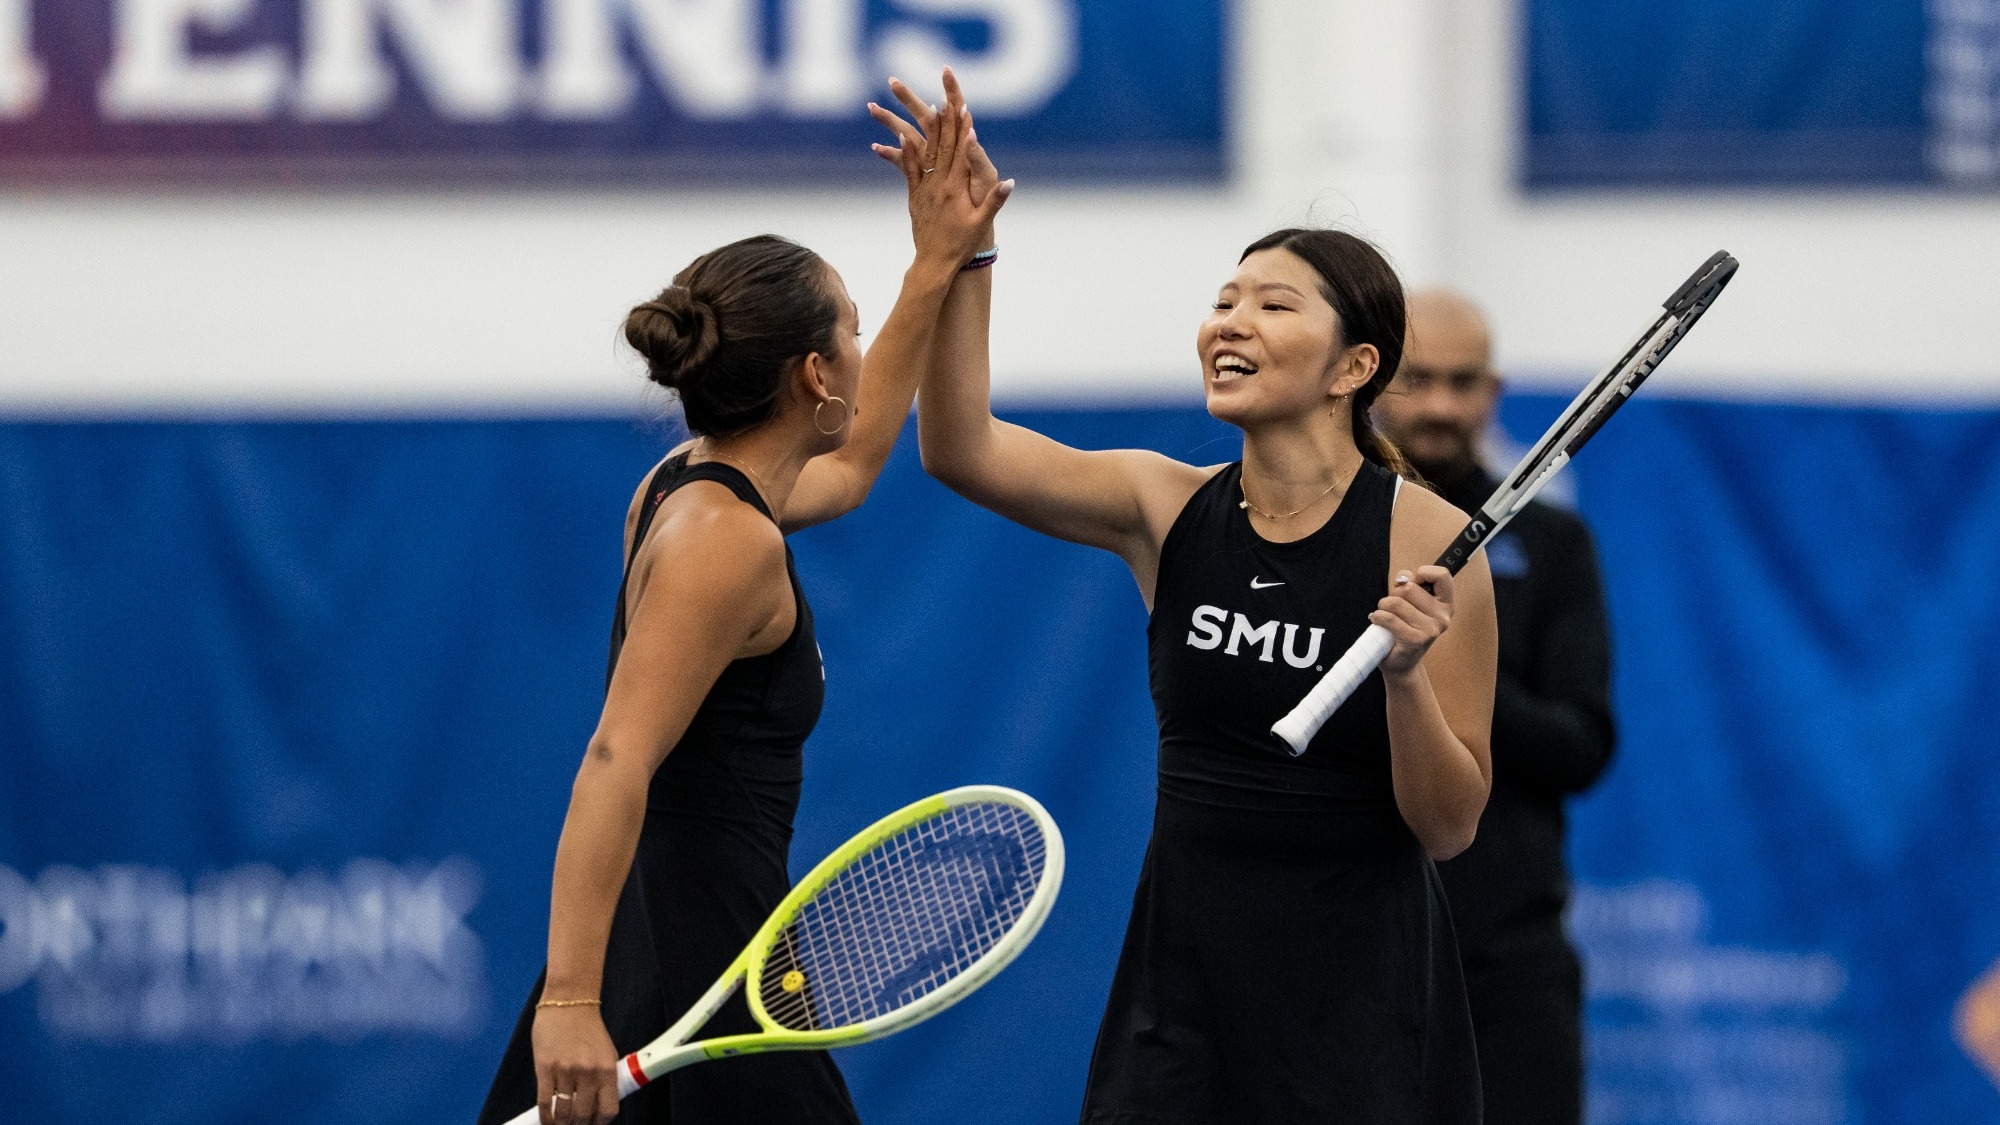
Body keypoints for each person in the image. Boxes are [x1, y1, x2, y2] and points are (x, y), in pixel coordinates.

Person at [870, 84, 1494, 1124]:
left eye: (1271, 304)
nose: (1229, 323)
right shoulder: (1162, 506)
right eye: (1224, 299)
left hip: (1359, 1007)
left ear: (1354, 366)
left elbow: (1447, 827)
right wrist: (959, 257)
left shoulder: (1427, 540)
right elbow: (958, 450)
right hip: (1182, 991)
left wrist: (1404, 681)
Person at [476, 82, 1010, 1125]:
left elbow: (850, 468)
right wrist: (573, 1003)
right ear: (816, 374)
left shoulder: (690, 482)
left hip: (695, 949)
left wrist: (936, 264)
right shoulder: (723, 539)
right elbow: (615, 757)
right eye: (850, 334)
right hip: (694, 967)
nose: (862, 352)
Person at [1373, 289, 1617, 1125]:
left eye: (1464, 381)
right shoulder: (1330, 531)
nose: (1442, 405)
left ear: (1494, 390)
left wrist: (1442, 664)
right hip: (1350, 951)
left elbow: (1582, 745)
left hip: (1510, 963)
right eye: (1421, 379)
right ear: (1369, 379)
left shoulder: (1552, 545)